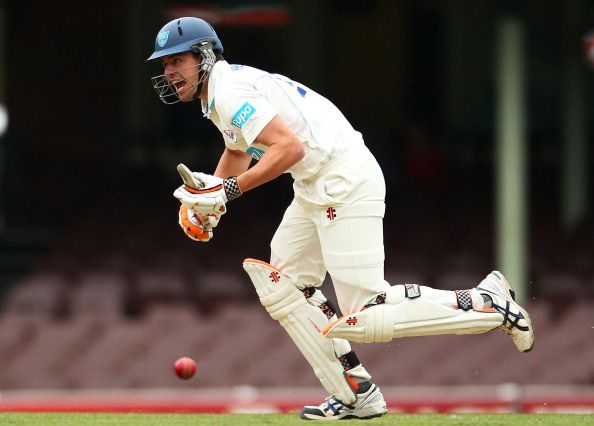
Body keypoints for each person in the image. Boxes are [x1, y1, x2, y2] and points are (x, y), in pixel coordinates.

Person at [147, 17, 534, 420]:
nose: (170, 71)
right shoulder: (220, 94)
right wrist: (207, 205)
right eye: (165, 63)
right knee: (284, 284)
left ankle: (486, 303)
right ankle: (355, 395)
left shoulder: (229, 90)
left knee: (366, 312)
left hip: (341, 177)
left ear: (205, 56)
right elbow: (239, 150)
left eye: (177, 60)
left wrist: (225, 192)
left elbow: (288, 149)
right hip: (316, 183)